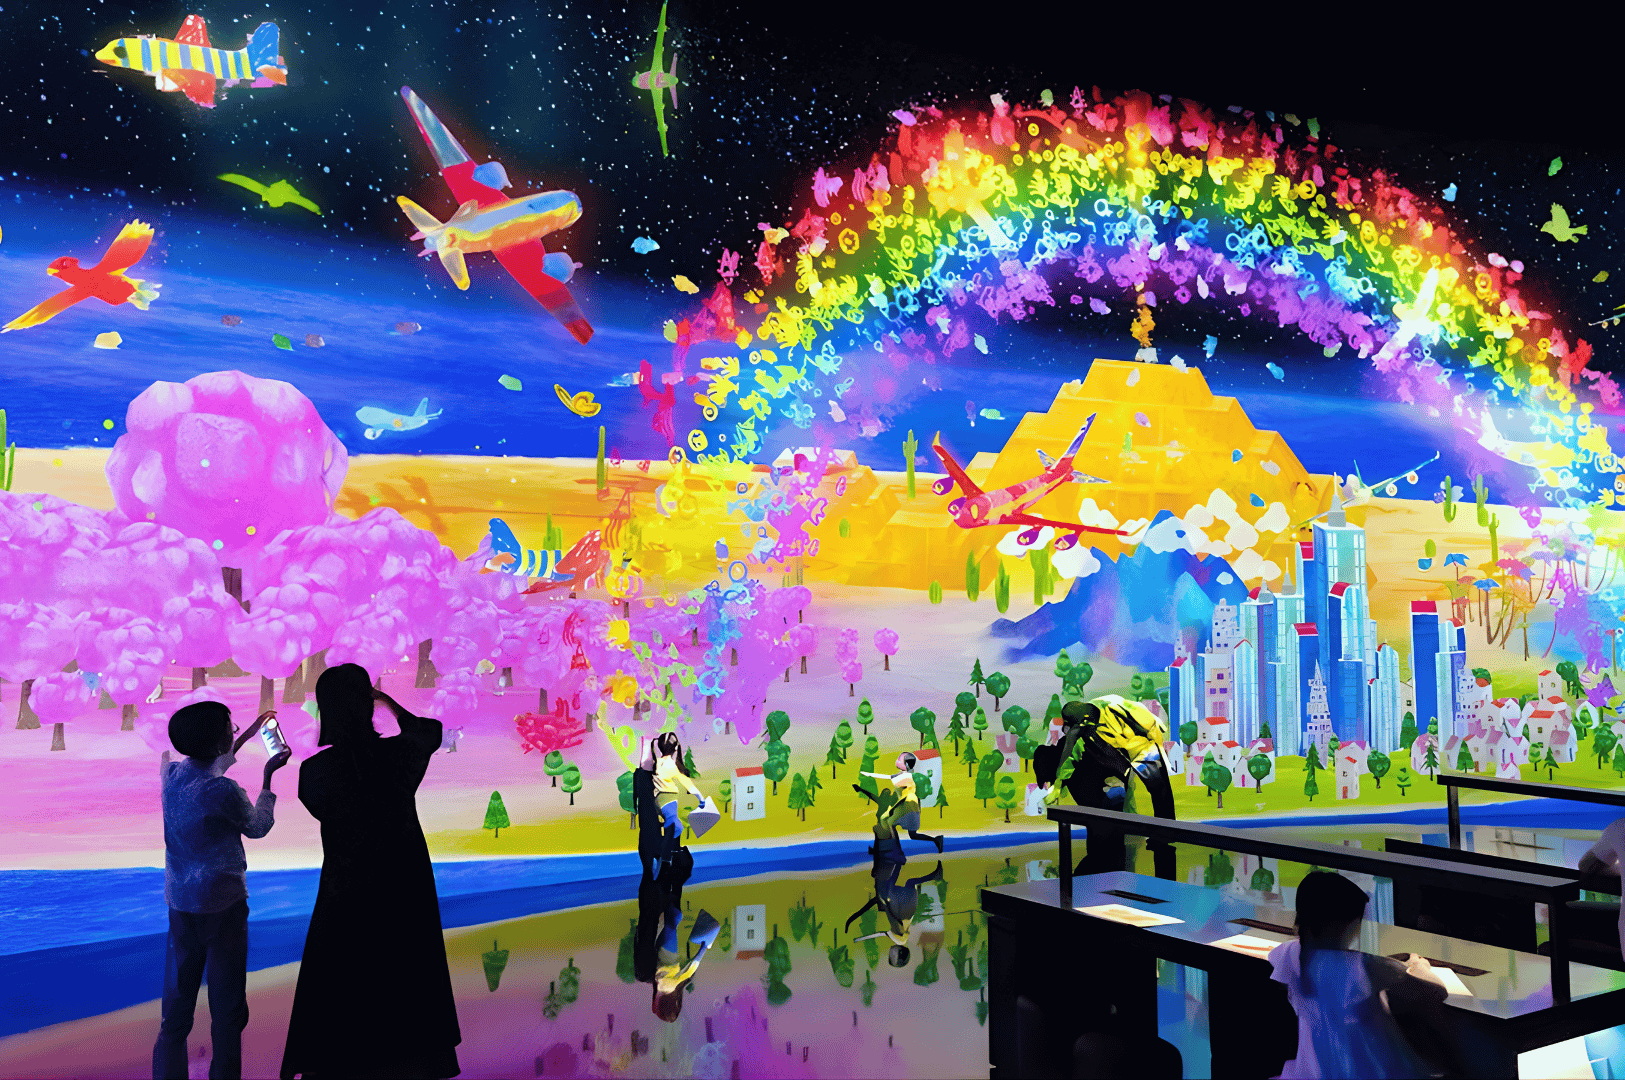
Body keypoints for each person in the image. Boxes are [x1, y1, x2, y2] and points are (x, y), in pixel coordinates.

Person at [280, 665, 461, 1080]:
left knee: (345, 978)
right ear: (365, 705)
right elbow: (428, 731)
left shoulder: (315, 774)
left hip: (346, 891)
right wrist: (386, 702)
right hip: (404, 889)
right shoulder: (398, 757)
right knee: (407, 976)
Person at [153, 702, 290, 1080]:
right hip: (224, 906)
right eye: (231, 728)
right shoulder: (223, 790)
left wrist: (247, 734)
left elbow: (213, 763)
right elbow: (258, 826)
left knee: (176, 1009)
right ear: (218, 742)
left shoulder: (172, 774)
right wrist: (268, 777)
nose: (235, 731)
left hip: (181, 904)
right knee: (228, 1011)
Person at [1269, 871, 1452, 1079]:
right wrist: (1418, 966)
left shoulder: (1288, 954)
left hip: (1314, 1072)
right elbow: (1436, 991)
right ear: (1346, 923)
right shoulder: (1362, 967)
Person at [1033, 696, 1176, 876]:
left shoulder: (1112, 707)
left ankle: (1166, 835)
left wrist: (1155, 746)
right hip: (1116, 750)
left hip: (1141, 746)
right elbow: (1073, 755)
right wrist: (1059, 784)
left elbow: (1143, 723)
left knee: (1158, 787)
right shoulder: (1086, 730)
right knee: (1124, 788)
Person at [857, 752, 944, 852]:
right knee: (913, 834)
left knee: (887, 821)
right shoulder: (909, 776)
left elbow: (904, 796)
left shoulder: (905, 778)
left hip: (907, 806)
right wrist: (869, 774)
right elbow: (889, 777)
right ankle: (936, 840)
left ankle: (891, 849)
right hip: (913, 807)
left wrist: (893, 809)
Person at [649, 731, 704, 871]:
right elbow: (686, 782)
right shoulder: (669, 765)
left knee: (672, 826)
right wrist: (700, 798)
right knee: (677, 827)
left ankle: (662, 853)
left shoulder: (657, 762)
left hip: (658, 800)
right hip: (668, 800)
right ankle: (661, 855)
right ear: (674, 748)